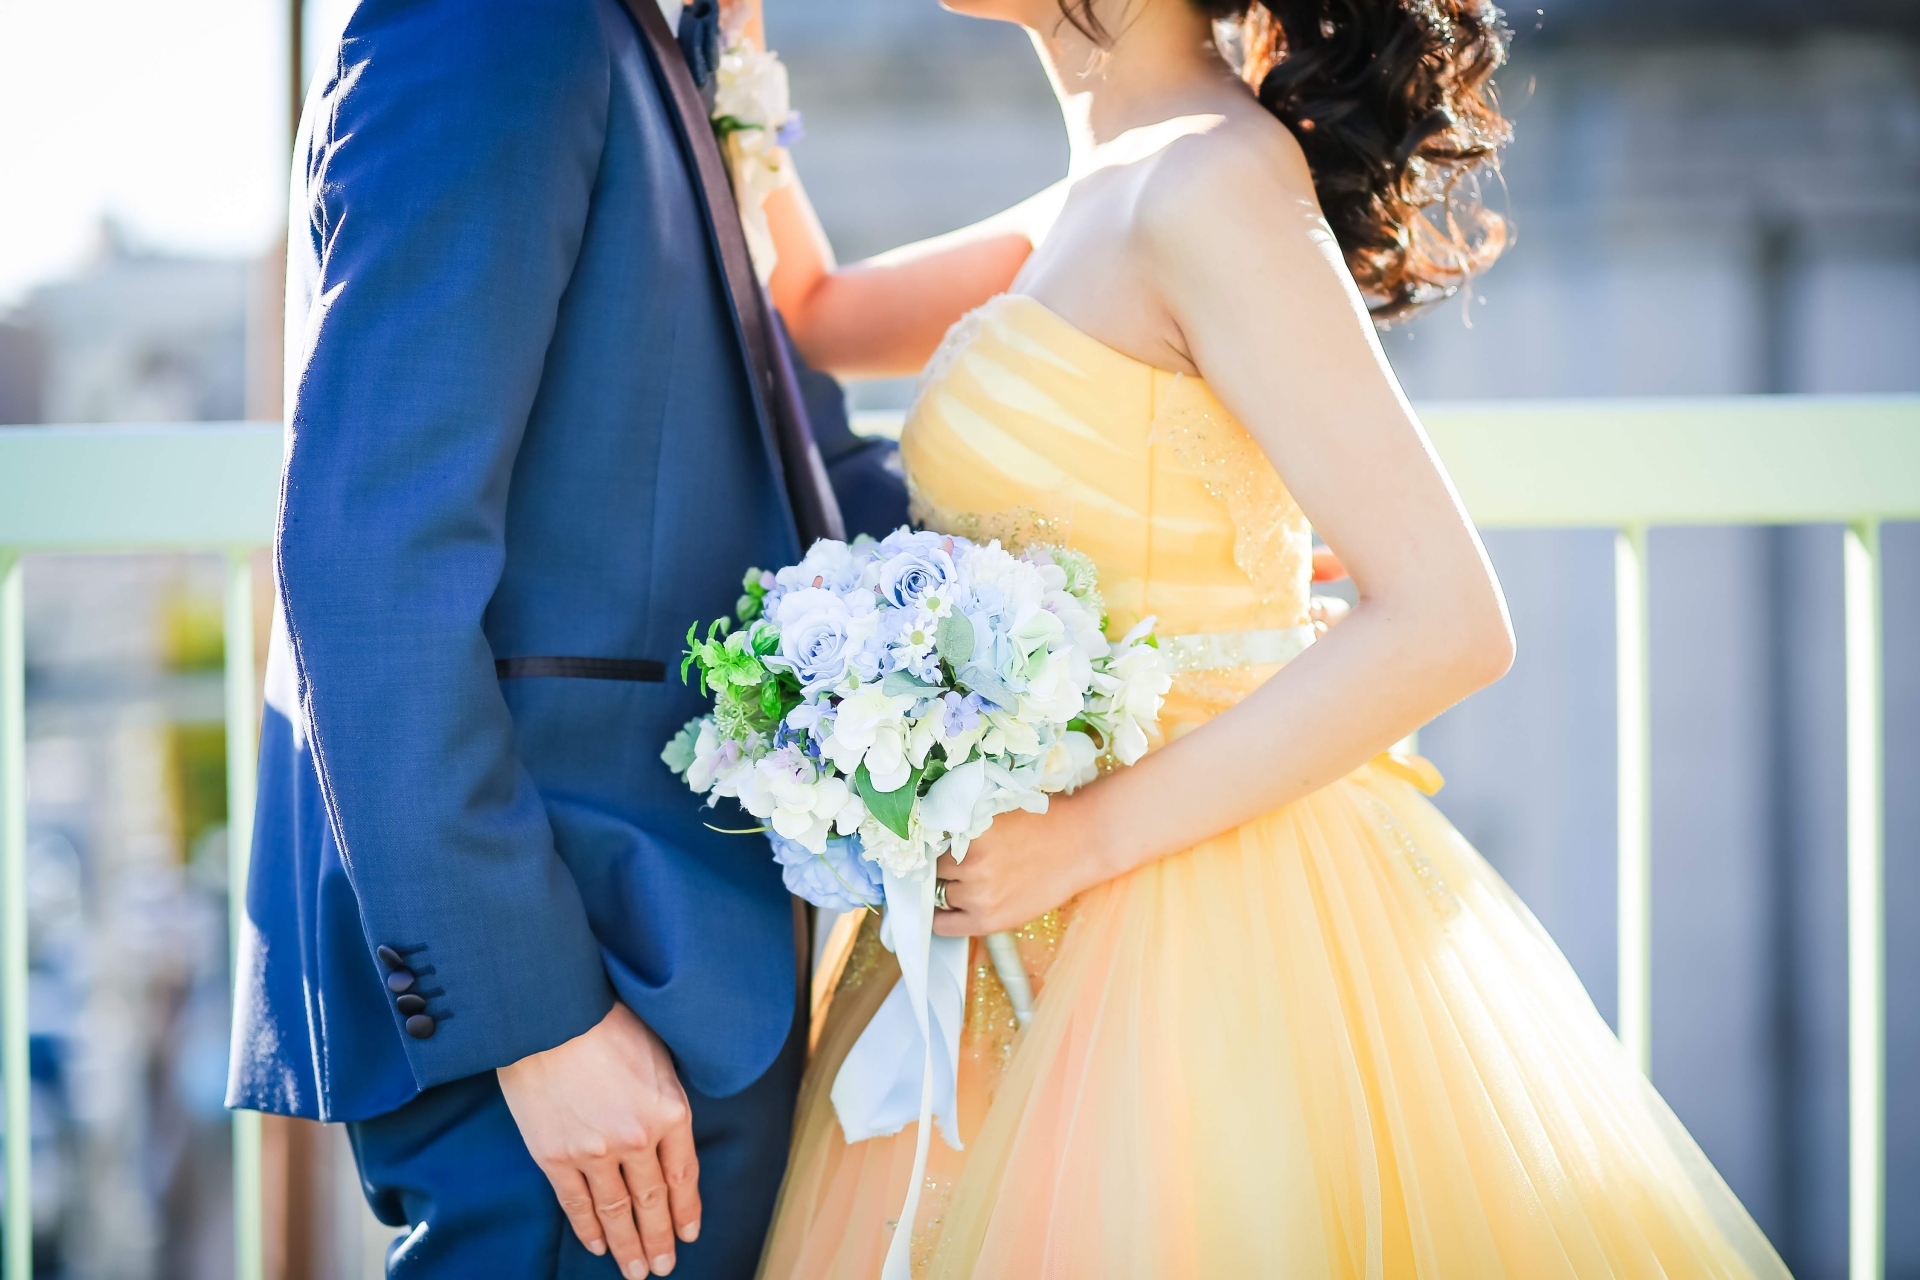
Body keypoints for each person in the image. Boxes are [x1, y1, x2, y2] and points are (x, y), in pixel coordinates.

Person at [749, 0, 1796, 1275]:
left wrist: (1081, 839)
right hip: (1012, 908)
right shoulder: (1103, 186)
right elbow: (812, 308)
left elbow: (1449, 620)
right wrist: (733, 40)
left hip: (1179, 911)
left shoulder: (1211, 177)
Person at [221, 1, 1017, 1277]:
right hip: (573, 985)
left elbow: (798, 458)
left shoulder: (645, 40)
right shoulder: (491, 25)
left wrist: (1140, 595)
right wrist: (537, 1023)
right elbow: (368, 563)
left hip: (687, 963)